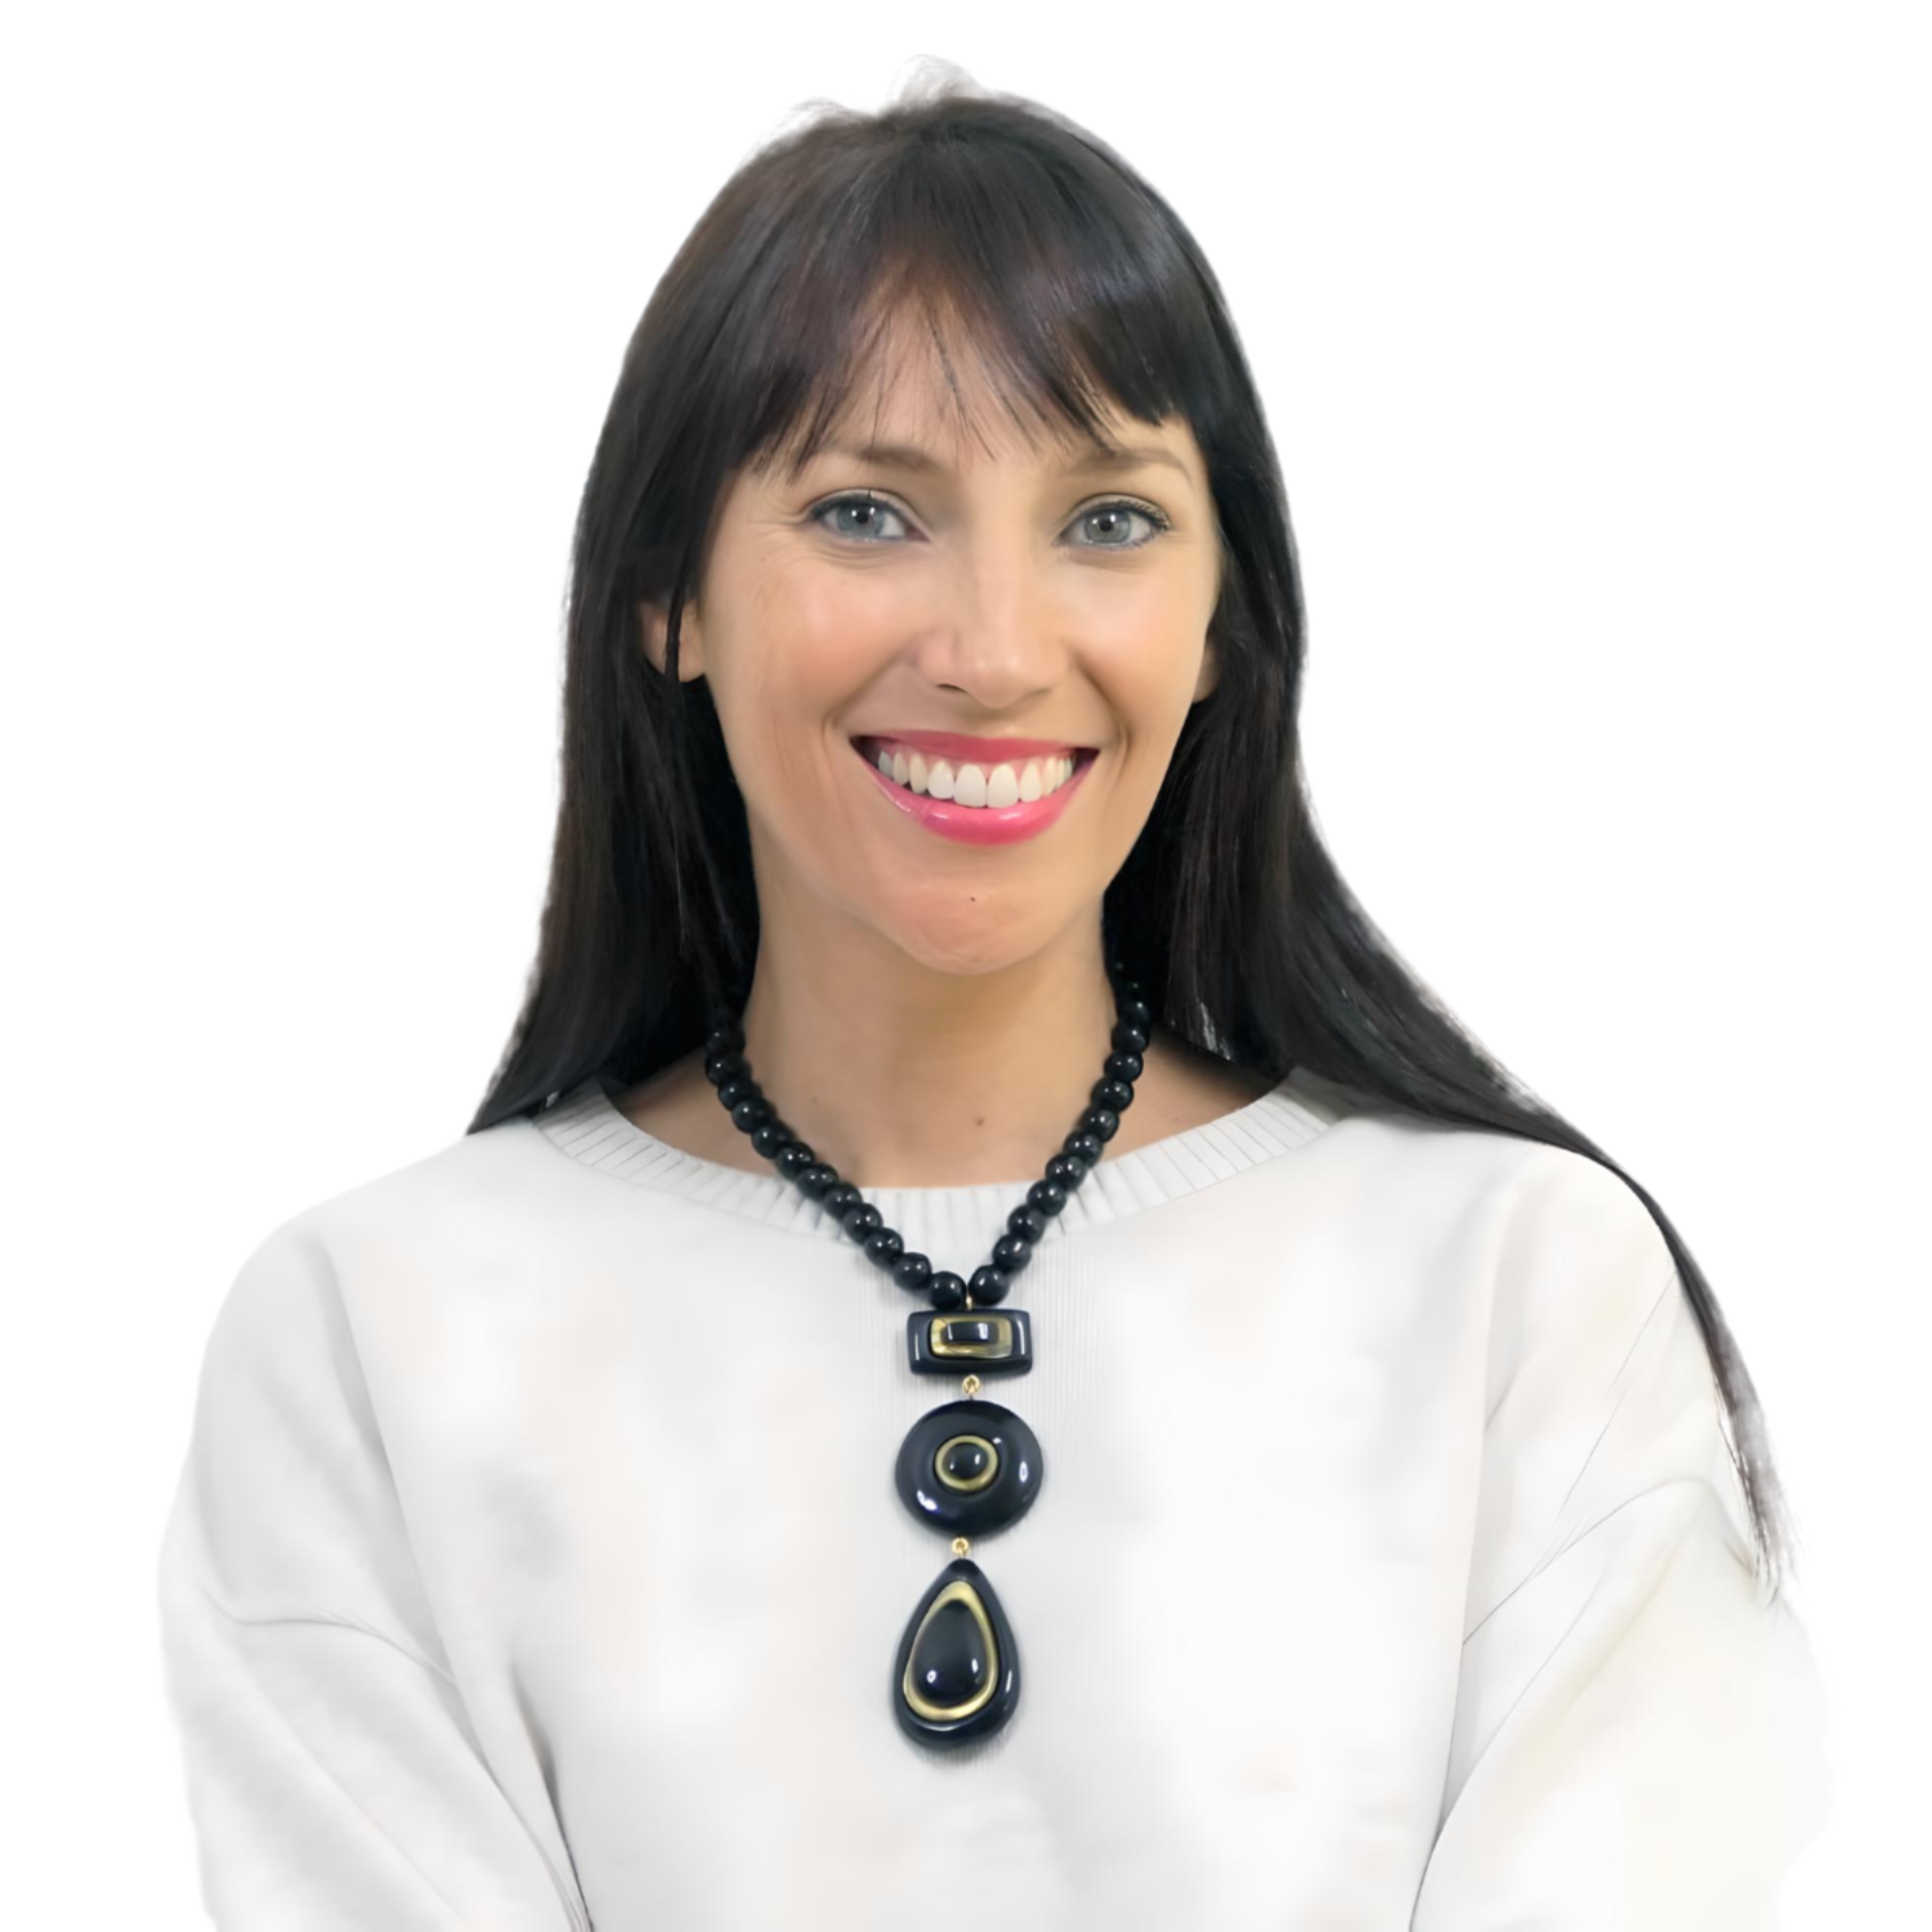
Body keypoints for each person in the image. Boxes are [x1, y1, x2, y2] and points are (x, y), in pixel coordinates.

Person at [156, 66, 1833, 1930]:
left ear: (1220, 624)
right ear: (668, 597)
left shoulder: (1520, 1285)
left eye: (1106, 521)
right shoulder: (374, 1334)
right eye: (869, 511)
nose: (995, 651)